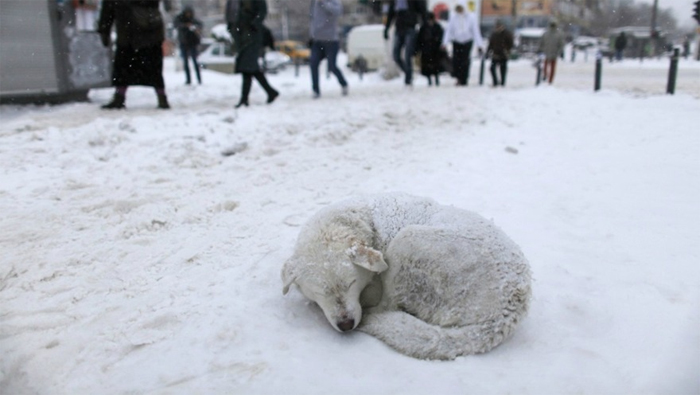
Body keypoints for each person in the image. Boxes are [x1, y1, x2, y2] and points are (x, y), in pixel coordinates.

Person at [98, 0, 171, 110]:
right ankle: (161, 96)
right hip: (148, 29)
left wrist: (104, 29)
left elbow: (108, 8)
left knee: (125, 66)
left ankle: (120, 96)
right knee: (151, 67)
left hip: (131, 31)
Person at [225, 0, 279, 108]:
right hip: (244, 37)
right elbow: (234, 14)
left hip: (253, 37)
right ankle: (269, 92)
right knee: (250, 69)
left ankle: (246, 99)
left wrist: (254, 24)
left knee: (248, 68)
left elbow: (262, 12)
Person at [309, 0, 348, 98]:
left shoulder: (333, 1)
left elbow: (338, 12)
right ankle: (316, 90)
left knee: (332, 67)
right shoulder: (314, 2)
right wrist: (311, 35)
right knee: (313, 64)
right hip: (317, 41)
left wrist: (324, 3)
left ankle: (344, 84)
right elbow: (313, 19)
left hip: (331, 41)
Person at [384, 0, 428, 86]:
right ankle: (408, 73)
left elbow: (422, 10)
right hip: (399, 29)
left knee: (408, 54)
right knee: (396, 55)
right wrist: (387, 28)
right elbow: (391, 13)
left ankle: (408, 79)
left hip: (410, 28)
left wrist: (425, 26)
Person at [441, 0, 484, 86]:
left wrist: (480, 45)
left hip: (467, 41)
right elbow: (449, 30)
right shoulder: (453, 17)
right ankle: (458, 77)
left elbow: (475, 32)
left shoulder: (471, 17)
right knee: (456, 60)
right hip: (456, 41)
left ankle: (464, 78)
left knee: (465, 61)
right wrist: (444, 43)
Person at [174, 6, 203, 85]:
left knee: (195, 61)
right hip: (184, 42)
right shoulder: (180, 20)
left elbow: (200, 25)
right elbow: (176, 25)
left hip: (192, 42)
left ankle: (199, 79)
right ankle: (188, 80)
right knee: (186, 62)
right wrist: (185, 26)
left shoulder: (193, 20)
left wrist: (194, 27)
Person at [416, 12, 444, 86]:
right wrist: (420, 48)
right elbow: (419, 39)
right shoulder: (423, 27)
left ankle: (436, 78)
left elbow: (441, 37)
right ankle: (429, 80)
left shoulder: (437, 27)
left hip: (435, 50)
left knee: (436, 65)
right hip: (426, 50)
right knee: (427, 66)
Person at [486, 19, 513, 87]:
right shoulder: (494, 34)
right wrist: (488, 52)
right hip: (495, 54)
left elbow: (511, 44)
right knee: (492, 68)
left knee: (502, 69)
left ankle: (502, 83)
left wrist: (507, 50)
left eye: (499, 26)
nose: (497, 27)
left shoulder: (507, 34)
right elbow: (490, 44)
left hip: (504, 54)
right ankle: (495, 82)